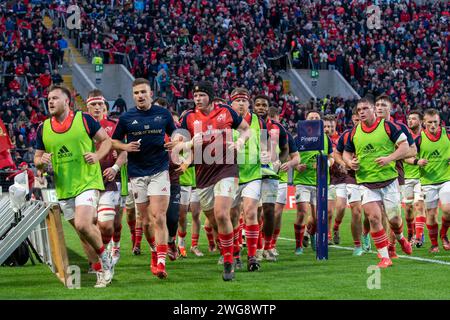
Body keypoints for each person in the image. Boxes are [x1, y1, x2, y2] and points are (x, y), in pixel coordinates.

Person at [34, 85, 113, 288]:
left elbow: (106, 141)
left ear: (67, 101)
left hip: (87, 181)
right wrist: (42, 161)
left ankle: (106, 260)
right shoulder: (43, 128)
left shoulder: (84, 119)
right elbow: (37, 159)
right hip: (64, 187)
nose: (50, 101)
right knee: (83, 235)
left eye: (55, 98)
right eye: (48, 98)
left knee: (82, 224)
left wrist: (96, 155)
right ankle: (99, 272)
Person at [177, 81, 250, 281]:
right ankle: (233, 249)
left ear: (210, 95)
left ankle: (228, 262)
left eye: (201, 95)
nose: (198, 99)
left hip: (226, 168)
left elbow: (246, 129)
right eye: (195, 96)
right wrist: (191, 144)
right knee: (215, 221)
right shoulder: (188, 118)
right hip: (203, 174)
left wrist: (240, 142)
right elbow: (177, 145)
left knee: (222, 213)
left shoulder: (226, 112)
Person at [112, 78, 177, 279]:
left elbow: (175, 133)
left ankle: (161, 262)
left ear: (150, 93)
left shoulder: (163, 114)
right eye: (136, 93)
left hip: (159, 170)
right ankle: (153, 251)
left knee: (159, 216)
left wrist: (173, 142)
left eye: (143, 92)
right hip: (137, 173)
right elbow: (114, 141)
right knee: (146, 221)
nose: (140, 96)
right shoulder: (126, 118)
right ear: (133, 96)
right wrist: (125, 147)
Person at [343, 96, 411, 268]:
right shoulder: (354, 132)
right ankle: (384, 257)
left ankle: (401, 237)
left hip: (389, 181)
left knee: (394, 220)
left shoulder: (388, 126)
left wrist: (390, 158)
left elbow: (405, 147)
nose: (362, 112)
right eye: (359, 110)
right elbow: (346, 153)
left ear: (373, 110)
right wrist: (350, 162)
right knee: (373, 218)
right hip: (366, 183)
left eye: (365, 109)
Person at [86, 89, 127, 270]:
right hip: (85, 182)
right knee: (89, 224)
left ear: (105, 106)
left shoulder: (114, 125)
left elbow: (124, 151)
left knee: (110, 225)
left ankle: (111, 249)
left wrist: (115, 167)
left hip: (110, 180)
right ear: (86, 106)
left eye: (99, 104)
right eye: (93, 104)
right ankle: (98, 259)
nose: (97, 107)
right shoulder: (79, 125)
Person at [229, 87, 267, 271]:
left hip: (253, 174)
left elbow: (266, 144)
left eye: (244, 100)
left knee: (251, 212)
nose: (241, 103)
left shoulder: (259, 121)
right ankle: (236, 253)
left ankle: (252, 257)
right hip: (231, 175)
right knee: (232, 216)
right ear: (231, 103)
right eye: (238, 100)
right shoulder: (226, 120)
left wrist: (268, 154)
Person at [375, 94, 417, 258]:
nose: (379, 108)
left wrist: (392, 156)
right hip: (373, 176)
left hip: (395, 174)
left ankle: (391, 246)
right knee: (378, 214)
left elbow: (413, 150)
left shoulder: (399, 127)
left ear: (390, 108)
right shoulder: (368, 127)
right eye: (377, 105)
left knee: (391, 214)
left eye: (383, 105)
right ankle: (388, 245)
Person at [406, 108, 450, 252]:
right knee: (431, 215)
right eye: (429, 122)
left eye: (435, 122)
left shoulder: (447, 135)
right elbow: (406, 156)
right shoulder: (418, 139)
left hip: (446, 180)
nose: (433, 125)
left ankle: (443, 235)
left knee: (448, 210)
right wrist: (416, 161)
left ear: (440, 122)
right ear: (424, 123)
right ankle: (434, 244)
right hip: (427, 182)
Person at [253, 97, 289, 262]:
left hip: (270, 174)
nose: (261, 107)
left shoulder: (278, 127)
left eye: (264, 105)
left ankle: (267, 247)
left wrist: (279, 160)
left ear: (268, 108)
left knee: (268, 211)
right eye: (258, 105)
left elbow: (285, 149)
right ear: (254, 107)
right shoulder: (247, 125)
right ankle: (253, 248)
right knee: (251, 211)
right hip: (251, 173)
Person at [292, 110, 333, 255]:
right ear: (306, 120)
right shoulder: (298, 138)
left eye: (317, 118)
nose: (314, 120)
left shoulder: (326, 139)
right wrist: (296, 166)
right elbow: (290, 157)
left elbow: (331, 158)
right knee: (302, 212)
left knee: (317, 218)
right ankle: (298, 246)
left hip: (319, 182)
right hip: (302, 181)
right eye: (311, 118)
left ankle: (311, 235)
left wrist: (325, 164)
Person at [334, 110, 370, 255]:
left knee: (369, 213)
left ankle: (366, 233)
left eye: (360, 119)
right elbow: (336, 153)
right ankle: (357, 245)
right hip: (351, 177)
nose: (358, 122)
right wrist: (344, 163)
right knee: (356, 211)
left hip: (369, 176)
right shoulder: (347, 135)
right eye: (355, 120)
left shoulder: (372, 134)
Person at [402, 110, 426, 247]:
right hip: (407, 177)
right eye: (409, 119)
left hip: (422, 177)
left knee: (419, 205)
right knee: (409, 209)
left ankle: (419, 236)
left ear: (421, 121)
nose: (410, 121)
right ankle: (411, 233)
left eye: (413, 119)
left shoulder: (425, 136)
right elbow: (403, 157)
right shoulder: (405, 137)